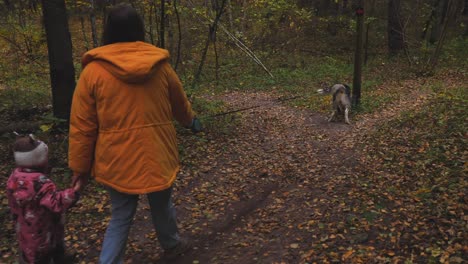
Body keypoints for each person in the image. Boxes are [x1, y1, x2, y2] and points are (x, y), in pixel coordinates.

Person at [68, 3, 201, 263]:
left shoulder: (93, 72)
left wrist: (79, 169)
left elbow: (82, 125)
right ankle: (172, 244)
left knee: (121, 215)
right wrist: (191, 121)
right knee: (162, 205)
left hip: (116, 158)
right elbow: (179, 104)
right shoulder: (160, 66)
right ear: (139, 29)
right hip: (157, 152)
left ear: (108, 31)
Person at [6, 134, 80, 263]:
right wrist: (75, 191)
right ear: (38, 160)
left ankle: (57, 258)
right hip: (44, 229)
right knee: (46, 253)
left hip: (25, 228)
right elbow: (56, 202)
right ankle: (58, 259)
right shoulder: (40, 182)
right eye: (45, 157)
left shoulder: (14, 177)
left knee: (30, 253)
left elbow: (13, 203)